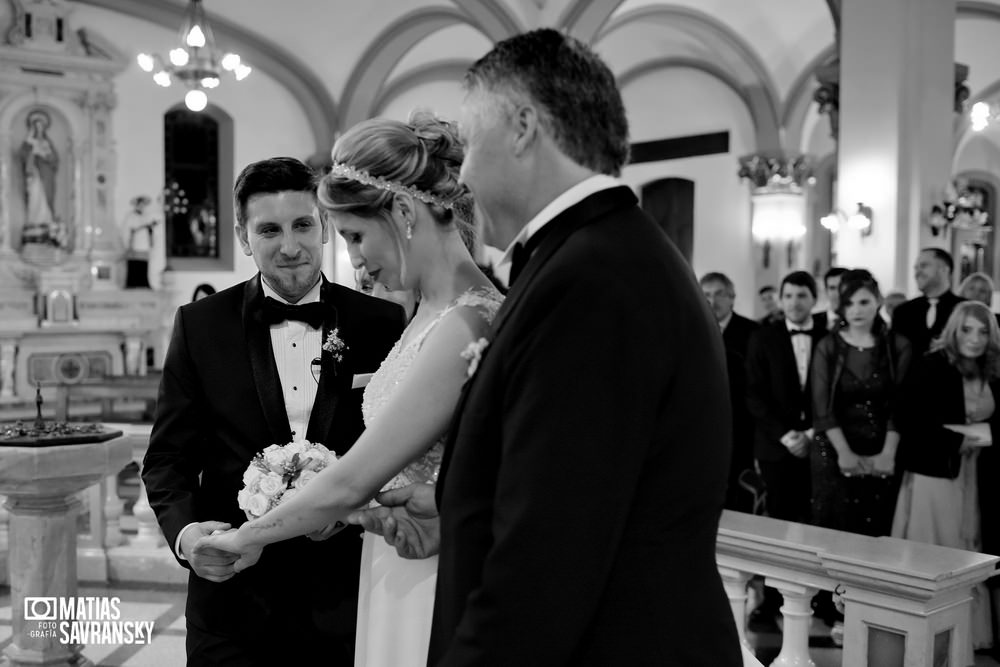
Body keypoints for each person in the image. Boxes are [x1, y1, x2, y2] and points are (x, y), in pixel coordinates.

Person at [355, 28, 742, 666]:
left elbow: (550, 553)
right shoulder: (602, 254)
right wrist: (454, 498)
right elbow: (572, 472)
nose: (466, 176)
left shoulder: (590, 282)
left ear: (525, 128)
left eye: (473, 145)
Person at [199, 114, 503, 667]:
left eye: (355, 236)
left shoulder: (466, 322)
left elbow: (356, 475)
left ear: (405, 214)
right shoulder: (423, 314)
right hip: (401, 551)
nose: (355, 259)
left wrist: (248, 538)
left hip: (434, 577)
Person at [141, 157, 406, 666]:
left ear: (324, 225)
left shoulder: (380, 322)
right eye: (269, 230)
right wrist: (187, 535)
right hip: (233, 600)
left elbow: (397, 447)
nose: (290, 247)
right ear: (243, 237)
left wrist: (350, 508)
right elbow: (167, 459)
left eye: (303, 224)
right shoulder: (200, 326)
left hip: (346, 596)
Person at [892, 301, 1000, 651]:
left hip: (979, 474)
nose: (975, 338)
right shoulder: (931, 365)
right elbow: (910, 420)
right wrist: (960, 438)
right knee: (936, 547)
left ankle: (967, 634)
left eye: (983, 331)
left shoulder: (993, 369)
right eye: (967, 329)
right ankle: (928, 634)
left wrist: (988, 434)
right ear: (954, 329)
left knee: (971, 549)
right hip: (935, 470)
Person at [810, 270, 911, 537]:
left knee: (878, 530)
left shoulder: (897, 345)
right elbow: (821, 407)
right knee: (835, 531)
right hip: (833, 447)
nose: (856, 310)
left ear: (878, 301)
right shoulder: (828, 346)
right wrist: (844, 452)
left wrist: (888, 453)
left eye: (864, 302)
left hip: (884, 445)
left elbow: (900, 404)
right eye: (849, 303)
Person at [700, 271, 759, 512]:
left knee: (738, 493)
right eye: (706, 295)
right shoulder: (693, 329)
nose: (712, 301)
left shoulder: (753, 332)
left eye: (719, 294)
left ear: (732, 297)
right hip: (703, 426)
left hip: (741, 424)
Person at [891, 248, 964, 357]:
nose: (917, 272)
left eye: (924, 266)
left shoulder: (963, 309)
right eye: (916, 268)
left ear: (944, 270)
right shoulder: (903, 311)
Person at [123, 195, 158, 288]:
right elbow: (129, 230)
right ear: (137, 205)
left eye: (143, 205)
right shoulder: (130, 216)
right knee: (134, 265)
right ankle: (132, 284)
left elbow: (150, 230)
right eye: (140, 204)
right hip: (135, 244)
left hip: (144, 244)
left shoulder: (146, 216)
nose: (142, 207)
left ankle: (143, 283)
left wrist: (150, 229)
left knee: (143, 265)